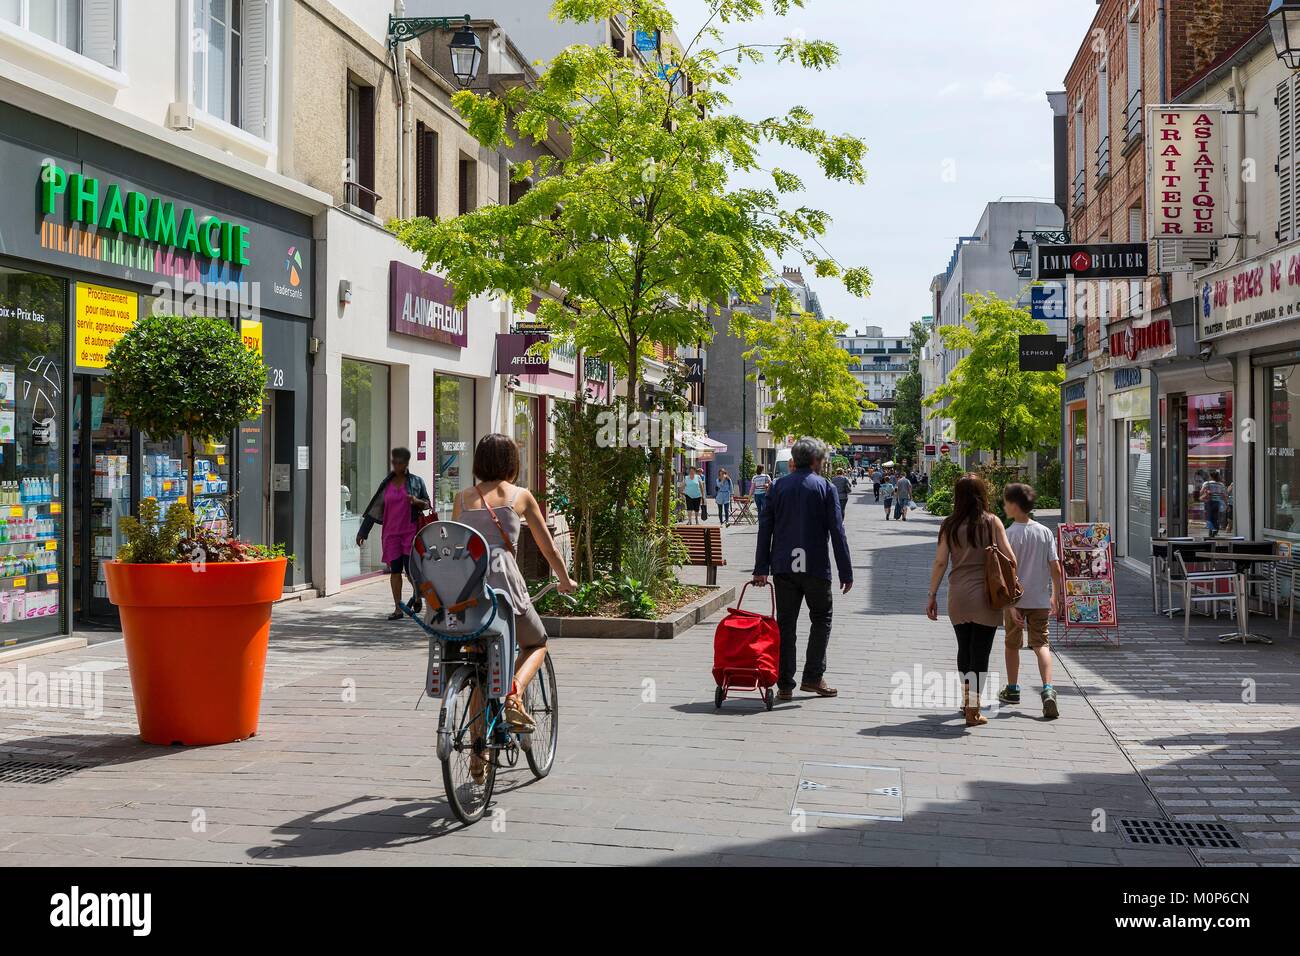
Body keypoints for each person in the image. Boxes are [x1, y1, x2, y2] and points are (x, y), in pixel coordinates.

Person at [453, 434, 576, 781]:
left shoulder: (462, 499)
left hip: (468, 593)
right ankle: (513, 693)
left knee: (479, 665)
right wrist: (565, 580)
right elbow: (548, 548)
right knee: (537, 642)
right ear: (511, 462)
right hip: (504, 591)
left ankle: (477, 759)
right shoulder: (520, 496)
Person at [752, 437, 853, 700]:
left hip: (783, 566)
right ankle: (813, 676)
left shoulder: (778, 487)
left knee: (785, 625)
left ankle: (784, 684)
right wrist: (846, 571)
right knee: (821, 619)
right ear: (818, 461)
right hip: (816, 567)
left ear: (793, 461)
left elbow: (766, 528)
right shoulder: (825, 487)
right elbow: (837, 531)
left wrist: (761, 567)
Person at [924, 474, 1017, 727]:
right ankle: (973, 710)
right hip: (987, 596)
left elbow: (941, 561)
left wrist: (932, 595)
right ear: (982, 493)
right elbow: (1010, 559)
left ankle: (967, 701)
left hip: (958, 596)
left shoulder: (949, 524)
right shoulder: (992, 522)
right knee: (981, 653)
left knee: (964, 649)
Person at [997, 483, 1063, 719]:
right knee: (1041, 645)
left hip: (1016, 600)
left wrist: (1011, 603)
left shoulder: (1008, 534)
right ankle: (1048, 689)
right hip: (1040, 599)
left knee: (1012, 644)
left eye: (1006, 502)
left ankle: (1013, 689)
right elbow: (1055, 567)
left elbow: (1005, 572)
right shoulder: (1045, 532)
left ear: (1014, 506)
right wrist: (1056, 595)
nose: (1004, 506)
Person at [357, 446, 433, 620]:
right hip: (391, 534)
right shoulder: (387, 483)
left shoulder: (416, 482)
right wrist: (363, 531)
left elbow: (428, 504)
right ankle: (398, 608)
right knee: (395, 571)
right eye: (394, 462)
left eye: (400, 462)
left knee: (410, 571)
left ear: (406, 463)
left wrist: (417, 501)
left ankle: (416, 594)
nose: (397, 465)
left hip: (410, 532)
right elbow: (375, 507)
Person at [1199, 470, 1228, 538]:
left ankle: (1212, 530)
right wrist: (1227, 504)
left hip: (1209, 502)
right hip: (1218, 503)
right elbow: (1224, 495)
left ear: (1211, 476)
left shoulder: (1207, 483)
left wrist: (1206, 492)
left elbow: (1201, 492)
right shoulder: (1221, 484)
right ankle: (1214, 530)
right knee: (1216, 517)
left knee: (1209, 517)